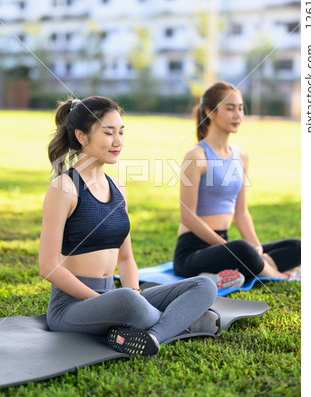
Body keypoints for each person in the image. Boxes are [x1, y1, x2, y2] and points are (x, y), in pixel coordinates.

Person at [39, 95, 218, 358]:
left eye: (121, 132)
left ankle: (154, 335)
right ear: (82, 136)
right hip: (72, 307)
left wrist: (133, 295)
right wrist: (105, 300)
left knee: (205, 286)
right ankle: (183, 321)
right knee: (128, 300)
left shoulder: (118, 189)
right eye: (108, 133)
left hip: (115, 297)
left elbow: (125, 257)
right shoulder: (64, 188)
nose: (118, 141)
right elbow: (48, 266)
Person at [173, 82, 301, 282]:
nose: (237, 115)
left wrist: (257, 248)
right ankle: (276, 276)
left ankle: (234, 271)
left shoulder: (241, 156)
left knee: (297, 247)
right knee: (241, 248)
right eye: (230, 108)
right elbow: (187, 217)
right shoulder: (196, 156)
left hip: (224, 246)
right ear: (210, 112)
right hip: (192, 252)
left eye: (240, 108)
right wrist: (226, 246)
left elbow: (240, 212)